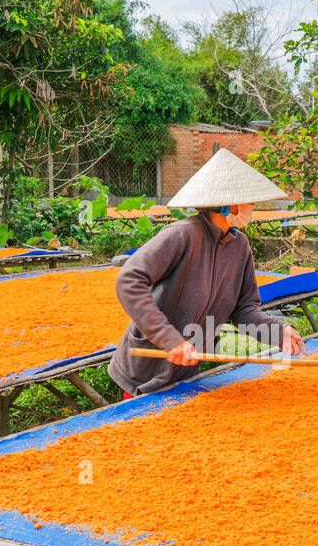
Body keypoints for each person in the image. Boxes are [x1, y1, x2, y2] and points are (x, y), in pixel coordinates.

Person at [109, 149, 306, 397]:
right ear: (228, 204)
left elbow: (244, 309)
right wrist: (168, 338)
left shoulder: (240, 246)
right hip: (145, 370)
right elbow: (130, 280)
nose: (253, 208)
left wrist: (279, 331)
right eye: (249, 202)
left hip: (185, 372)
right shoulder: (181, 235)